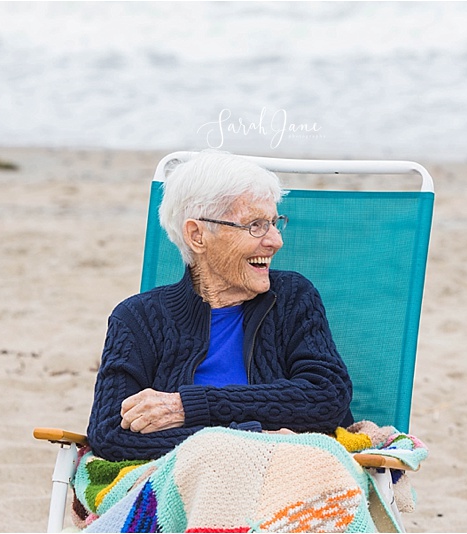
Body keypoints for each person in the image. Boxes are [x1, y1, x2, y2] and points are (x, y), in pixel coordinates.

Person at [86, 151, 354, 463]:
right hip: (187, 490)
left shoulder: (292, 297)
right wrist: (253, 440)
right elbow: (109, 435)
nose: (276, 240)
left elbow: (327, 396)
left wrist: (191, 406)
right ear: (197, 235)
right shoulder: (137, 319)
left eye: (274, 222)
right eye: (255, 225)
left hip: (287, 480)